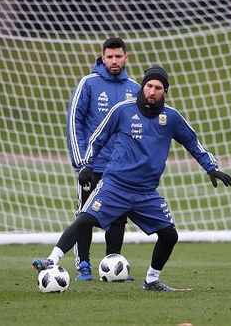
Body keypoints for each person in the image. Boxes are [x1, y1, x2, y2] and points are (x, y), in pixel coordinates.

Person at [34, 65, 231, 291]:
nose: (152, 91)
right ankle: (51, 260)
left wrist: (211, 168)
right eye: (149, 85)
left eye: (158, 87)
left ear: (164, 91)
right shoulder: (122, 110)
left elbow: (193, 143)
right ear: (143, 86)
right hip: (115, 186)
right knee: (85, 219)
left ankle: (151, 280)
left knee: (169, 235)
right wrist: (86, 165)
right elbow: (97, 138)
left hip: (146, 193)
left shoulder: (171, 118)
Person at [66, 37, 141, 281]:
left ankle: (113, 263)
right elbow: (73, 122)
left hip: (120, 168)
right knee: (86, 216)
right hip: (93, 165)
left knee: (119, 218)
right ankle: (83, 265)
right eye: (110, 57)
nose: (114, 61)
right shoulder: (88, 83)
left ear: (126, 57)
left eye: (118, 56)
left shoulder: (135, 88)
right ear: (102, 57)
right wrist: (81, 163)